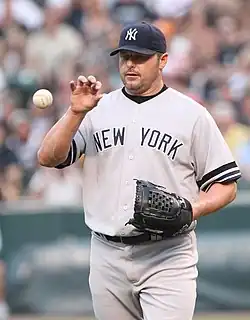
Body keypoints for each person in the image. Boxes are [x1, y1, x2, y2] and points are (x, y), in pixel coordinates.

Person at [37, 21, 241, 320]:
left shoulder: (192, 114)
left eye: (141, 57)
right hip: (107, 253)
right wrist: (75, 112)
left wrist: (191, 209)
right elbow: (48, 157)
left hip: (168, 254)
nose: (131, 64)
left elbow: (226, 185)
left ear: (163, 61)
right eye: (125, 57)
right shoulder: (97, 109)